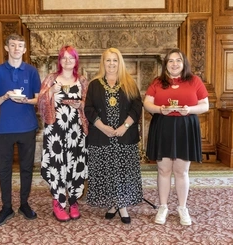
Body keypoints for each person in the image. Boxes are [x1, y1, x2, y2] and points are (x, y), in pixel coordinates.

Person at [143, 48, 209, 226]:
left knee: (181, 171)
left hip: (185, 127)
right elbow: (147, 103)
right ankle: (163, 207)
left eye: (178, 60)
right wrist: (160, 110)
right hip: (163, 125)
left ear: (183, 63)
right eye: (170, 61)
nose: (174, 64)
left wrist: (189, 110)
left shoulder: (194, 80)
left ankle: (182, 207)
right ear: (166, 64)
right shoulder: (157, 82)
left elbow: (205, 105)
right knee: (164, 169)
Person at [84, 47, 143, 224]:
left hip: (124, 135)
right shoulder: (94, 84)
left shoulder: (130, 83)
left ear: (120, 63)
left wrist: (125, 126)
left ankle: (122, 206)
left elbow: (137, 107)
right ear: (103, 63)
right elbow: (89, 109)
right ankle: (113, 204)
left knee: (123, 171)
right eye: (108, 60)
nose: (111, 64)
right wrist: (103, 127)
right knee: (107, 171)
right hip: (102, 136)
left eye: (115, 60)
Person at [0, 33, 41, 227]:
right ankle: (6, 207)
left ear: (25, 50)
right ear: (6, 48)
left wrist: (26, 100)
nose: (16, 48)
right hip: (4, 129)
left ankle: (24, 204)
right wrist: (5, 96)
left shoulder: (32, 71)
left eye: (20, 46)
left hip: (27, 126)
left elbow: (39, 98)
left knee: (27, 168)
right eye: (13, 45)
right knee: (4, 170)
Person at [38, 45, 89, 222]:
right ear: (59, 60)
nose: (67, 61)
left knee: (75, 164)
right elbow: (40, 103)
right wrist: (51, 92)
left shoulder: (82, 80)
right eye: (64, 58)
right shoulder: (51, 78)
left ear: (76, 60)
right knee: (57, 165)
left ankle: (73, 200)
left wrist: (80, 104)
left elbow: (89, 104)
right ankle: (58, 202)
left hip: (76, 132)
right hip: (56, 132)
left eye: (71, 58)